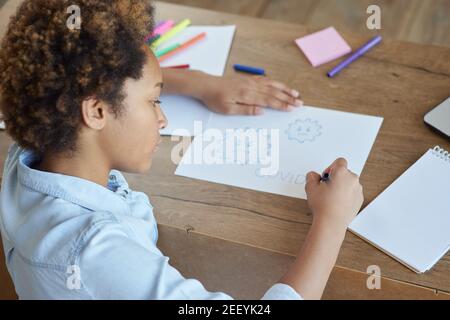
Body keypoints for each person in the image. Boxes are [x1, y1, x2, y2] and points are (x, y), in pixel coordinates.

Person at [0, 0, 363, 299]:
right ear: (96, 111)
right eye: (154, 101)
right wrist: (332, 221)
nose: (163, 119)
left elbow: (82, 80)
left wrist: (198, 83)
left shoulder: (28, 151)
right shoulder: (97, 254)